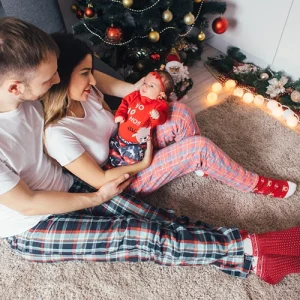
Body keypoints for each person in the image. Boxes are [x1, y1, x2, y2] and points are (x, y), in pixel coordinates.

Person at [1, 17, 300, 286]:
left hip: (68, 184)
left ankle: (256, 261)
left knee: (161, 220)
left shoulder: (33, 92)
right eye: (49, 79)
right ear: (15, 88)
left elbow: (87, 76)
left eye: (58, 74)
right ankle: (254, 246)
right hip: (33, 225)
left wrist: (142, 90)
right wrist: (96, 197)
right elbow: (28, 203)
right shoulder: (35, 111)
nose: (57, 82)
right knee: (139, 237)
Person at [43, 33, 296, 201]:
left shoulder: (86, 91)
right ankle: (256, 184)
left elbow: (127, 89)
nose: (94, 80)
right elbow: (99, 180)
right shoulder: (58, 133)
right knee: (200, 148)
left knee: (180, 113)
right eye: (85, 73)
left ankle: (201, 165)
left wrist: (151, 86)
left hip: (133, 139)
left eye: (91, 71)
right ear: (61, 77)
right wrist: (144, 162)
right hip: (125, 175)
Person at [109, 70, 172, 166]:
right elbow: (125, 102)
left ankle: (124, 167)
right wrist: (120, 114)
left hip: (136, 144)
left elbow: (162, 119)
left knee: (133, 157)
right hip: (119, 137)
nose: (145, 86)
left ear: (161, 95)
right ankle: (112, 165)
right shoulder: (135, 95)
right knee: (112, 151)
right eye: (145, 82)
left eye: (151, 86)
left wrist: (157, 116)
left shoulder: (158, 105)